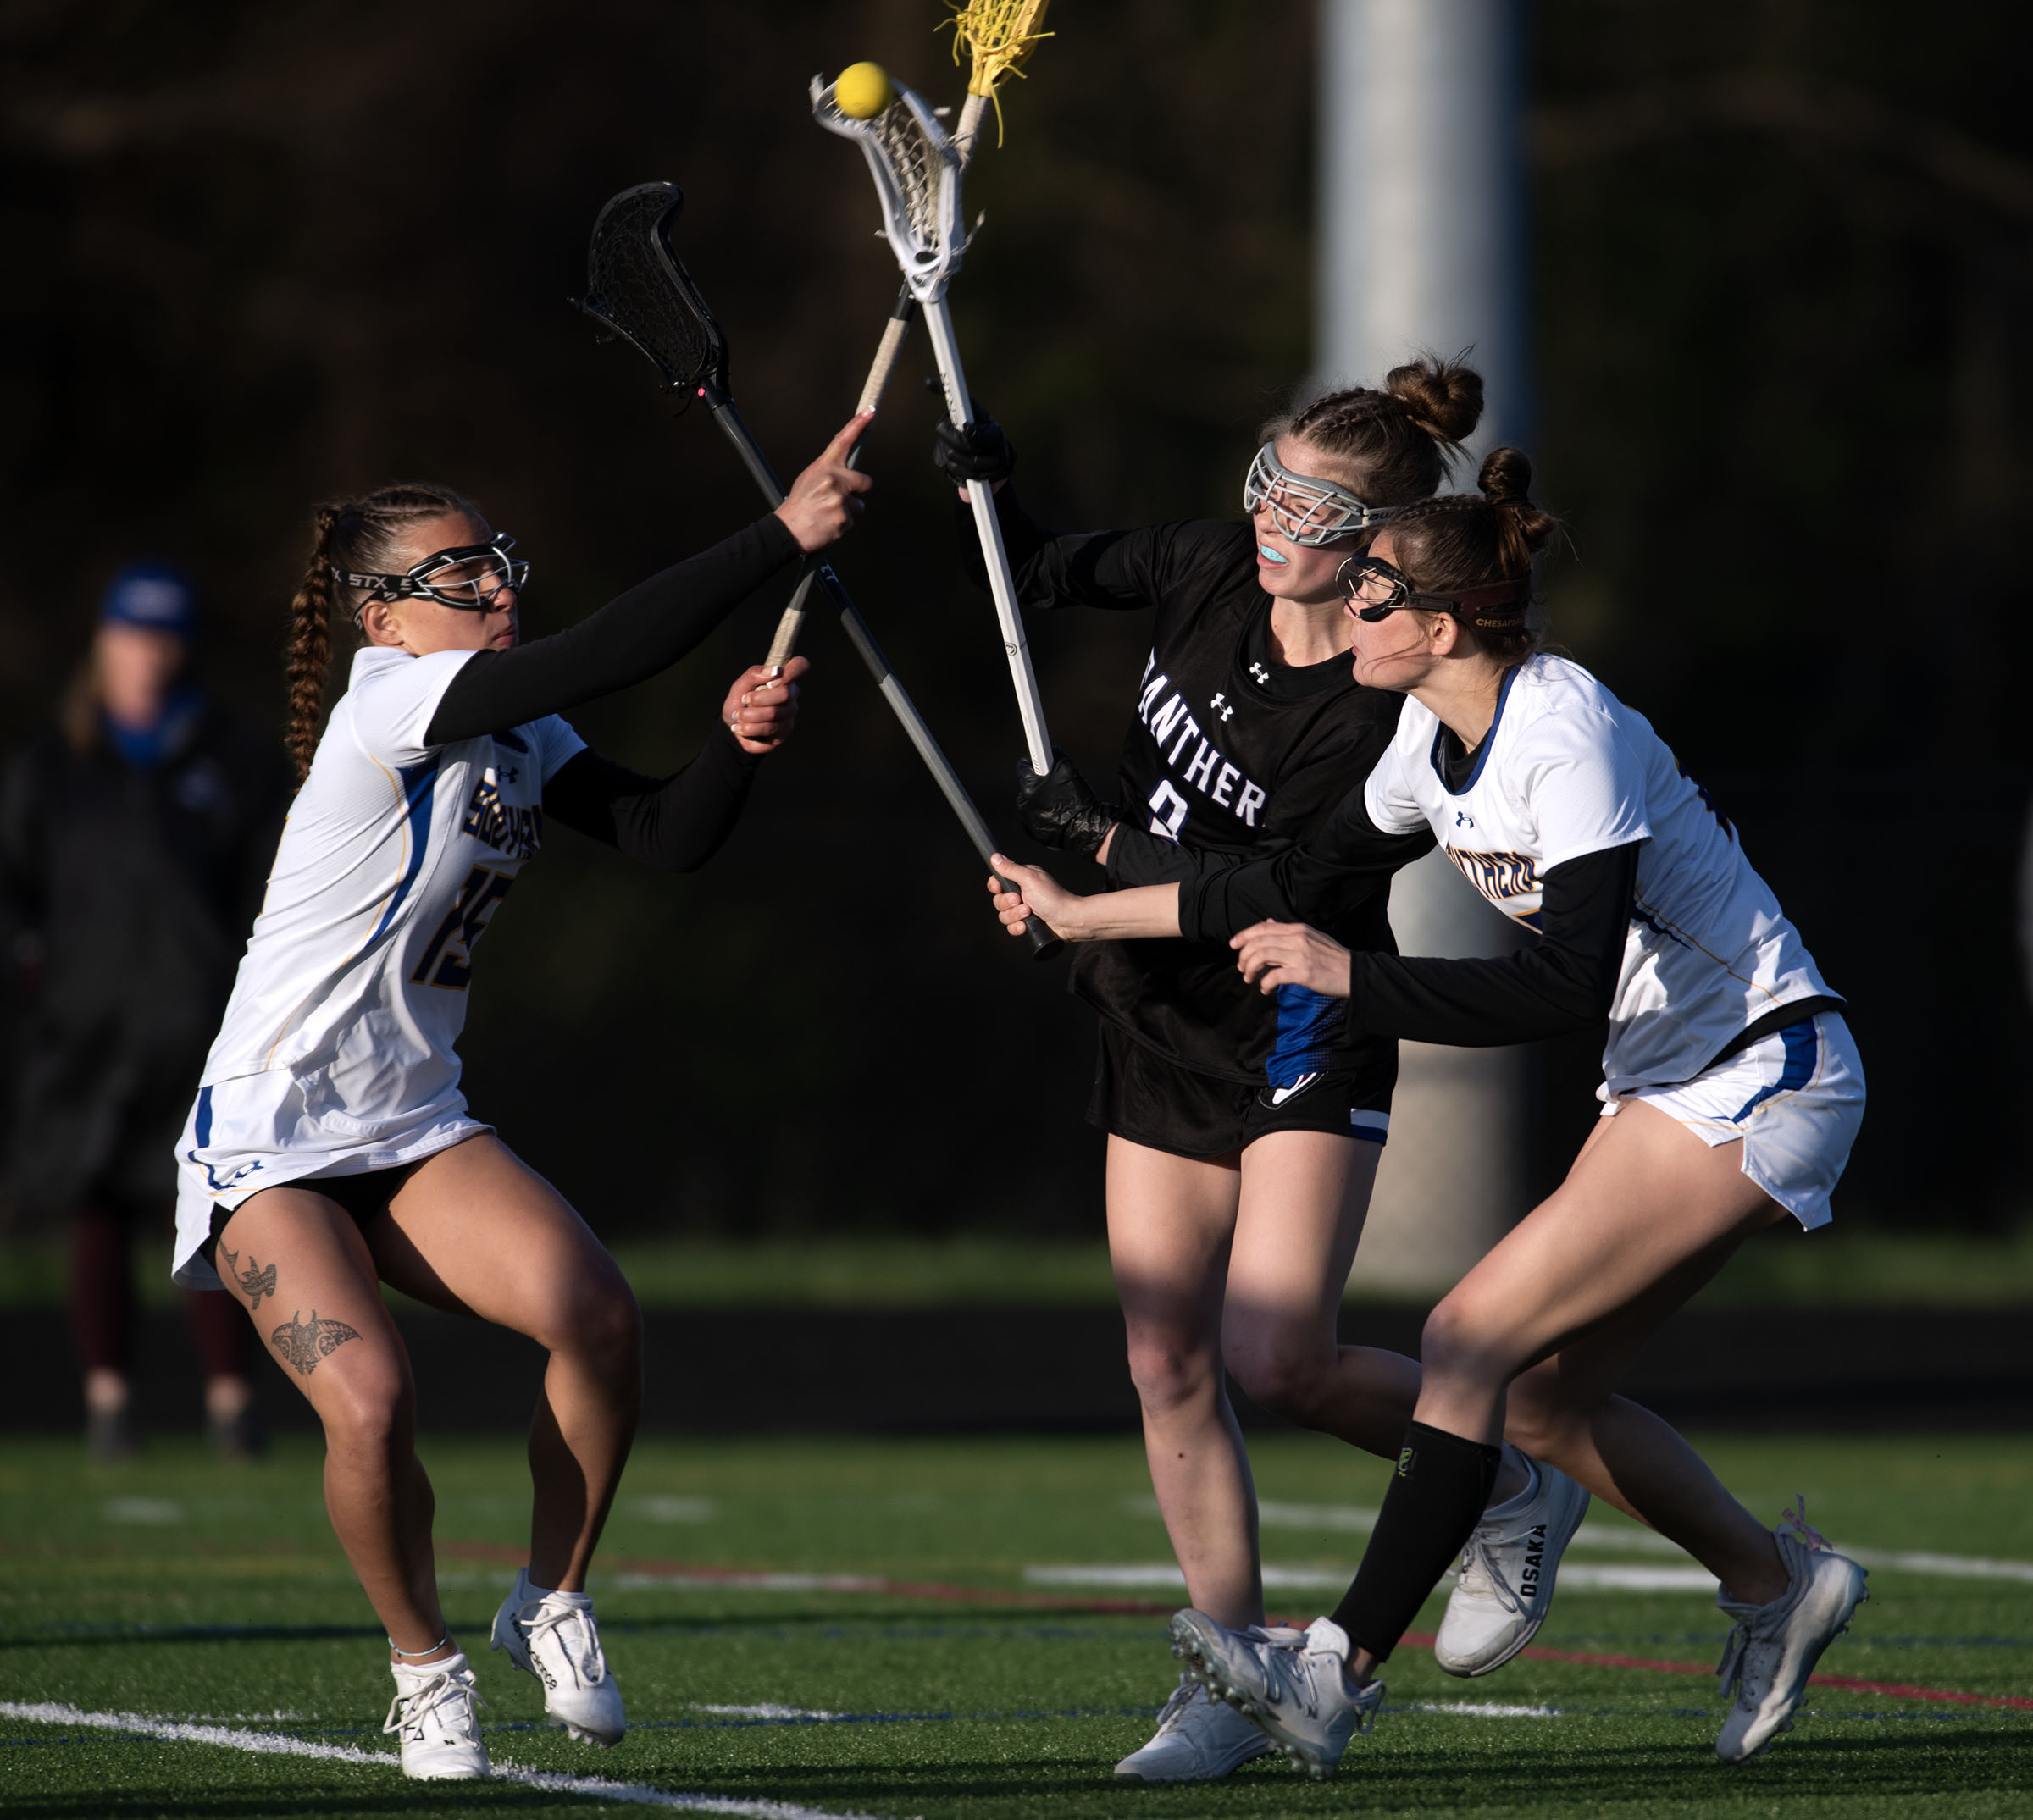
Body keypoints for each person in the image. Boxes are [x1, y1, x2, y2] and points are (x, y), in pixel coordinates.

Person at [989, 449, 1870, 1773]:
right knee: (1543, 1406)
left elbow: (1566, 980)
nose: (1350, 612)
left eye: (1376, 597)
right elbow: (1283, 878)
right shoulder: (1422, 741)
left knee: (1466, 1337)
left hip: (1765, 1067)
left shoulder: (1563, 727)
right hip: (1664, 1079)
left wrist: (1359, 979)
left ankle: (1335, 1670)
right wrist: (1081, 904)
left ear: (1441, 629)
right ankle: (1775, 1585)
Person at [169, 415, 872, 1780]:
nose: (497, 589)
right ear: (381, 613)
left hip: (417, 1126)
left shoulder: (514, 729)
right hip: (273, 1147)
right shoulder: (391, 704)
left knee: (599, 1316)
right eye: (461, 575)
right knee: (370, 1404)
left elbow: (669, 840)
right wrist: (775, 537)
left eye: (499, 564)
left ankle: (548, 1598)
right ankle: (423, 1671)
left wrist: (737, 742)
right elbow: (610, 648)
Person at [938, 364, 1586, 1784]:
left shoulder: (1371, 706)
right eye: (1269, 482)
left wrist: (1096, 857)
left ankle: (1498, 1476)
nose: (1277, 517)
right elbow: (1038, 568)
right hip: (1155, 1004)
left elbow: (1259, 887)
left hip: (1299, 1008)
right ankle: (1227, 1673)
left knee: (1273, 1356)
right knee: (1165, 1355)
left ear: (1380, 539)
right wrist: (990, 482)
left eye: (1318, 505)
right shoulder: (1206, 559)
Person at [1, 564, 286, 1458]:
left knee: (209, 1212)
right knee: (96, 1204)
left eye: (165, 637)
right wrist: (34, 962)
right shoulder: (55, 763)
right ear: (103, 641)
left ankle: (232, 1403)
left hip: (201, 1021)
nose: (147, 655)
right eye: (132, 634)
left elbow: (274, 885)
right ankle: (108, 1400)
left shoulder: (229, 758)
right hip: (84, 1027)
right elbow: (15, 887)